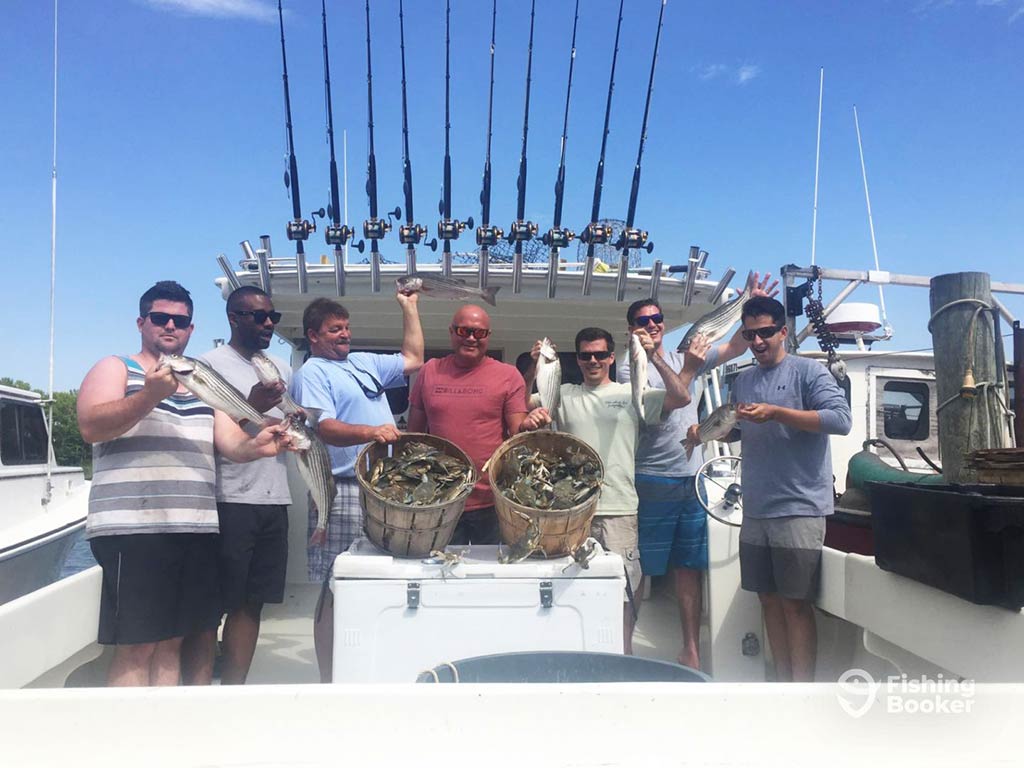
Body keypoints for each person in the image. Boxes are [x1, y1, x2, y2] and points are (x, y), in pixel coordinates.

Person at [77, 281, 291, 687]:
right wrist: (149, 396)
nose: (170, 326)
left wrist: (260, 446)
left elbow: (231, 444)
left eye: (181, 321)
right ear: (142, 322)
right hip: (134, 529)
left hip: (196, 527)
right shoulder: (117, 367)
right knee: (138, 645)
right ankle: (130, 743)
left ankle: (164, 735)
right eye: (160, 318)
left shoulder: (199, 381)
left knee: (174, 641)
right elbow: (90, 426)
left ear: (191, 329)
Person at [617, 273, 778, 669]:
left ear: (663, 324)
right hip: (650, 478)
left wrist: (747, 304)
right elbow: (670, 402)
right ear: (632, 330)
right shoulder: (628, 366)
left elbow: (735, 346)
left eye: (656, 320)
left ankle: (689, 647)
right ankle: (625, 650)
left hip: (691, 477)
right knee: (640, 571)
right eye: (643, 322)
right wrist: (658, 356)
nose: (652, 326)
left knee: (688, 566)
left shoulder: (682, 356)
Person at [691, 296, 851, 681]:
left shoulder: (808, 372)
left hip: (799, 508)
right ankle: (780, 683)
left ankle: (802, 689)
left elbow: (840, 419)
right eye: (750, 335)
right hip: (756, 508)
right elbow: (744, 427)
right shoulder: (744, 379)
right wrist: (718, 430)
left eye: (765, 333)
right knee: (767, 599)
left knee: (796, 604)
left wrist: (777, 412)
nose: (758, 341)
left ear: (784, 331)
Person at [525, 327, 711, 654]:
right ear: (577, 359)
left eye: (600, 354)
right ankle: (576, 649)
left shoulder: (631, 392)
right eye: (585, 355)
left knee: (626, 584)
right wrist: (534, 366)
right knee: (569, 586)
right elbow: (518, 402)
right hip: (570, 512)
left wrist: (653, 355)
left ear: (612, 357)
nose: (593, 361)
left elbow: (681, 397)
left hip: (619, 507)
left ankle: (623, 650)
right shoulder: (563, 393)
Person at [291, 291, 423, 682]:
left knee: (384, 577)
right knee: (338, 584)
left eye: (346, 328)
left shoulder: (363, 362)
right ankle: (331, 679)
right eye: (335, 330)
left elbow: (414, 359)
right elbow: (325, 428)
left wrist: (409, 307)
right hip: (342, 487)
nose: (344, 335)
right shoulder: (311, 374)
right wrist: (372, 432)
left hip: (384, 488)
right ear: (313, 336)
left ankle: (376, 666)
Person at [196, 285, 292, 684]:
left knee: (252, 604)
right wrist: (252, 404)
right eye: (259, 316)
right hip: (228, 498)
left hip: (274, 498)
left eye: (273, 316)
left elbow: (280, 424)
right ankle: (197, 693)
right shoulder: (207, 365)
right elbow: (204, 432)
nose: (269, 323)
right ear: (234, 318)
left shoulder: (281, 368)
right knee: (211, 606)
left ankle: (233, 692)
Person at [407, 305, 550, 544]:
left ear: (488, 336)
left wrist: (531, 424)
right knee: (443, 574)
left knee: (493, 574)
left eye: (479, 333)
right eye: (464, 331)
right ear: (451, 332)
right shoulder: (430, 371)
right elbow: (414, 436)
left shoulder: (508, 375)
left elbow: (517, 433)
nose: (472, 338)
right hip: (440, 499)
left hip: (492, 500)